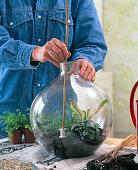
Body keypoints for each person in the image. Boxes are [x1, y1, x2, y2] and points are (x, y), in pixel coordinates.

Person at [0, 0, 107, 138]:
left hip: (59, 121)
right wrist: (34, 52)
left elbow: (93, 44)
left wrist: (84, 60)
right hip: (6, 120)